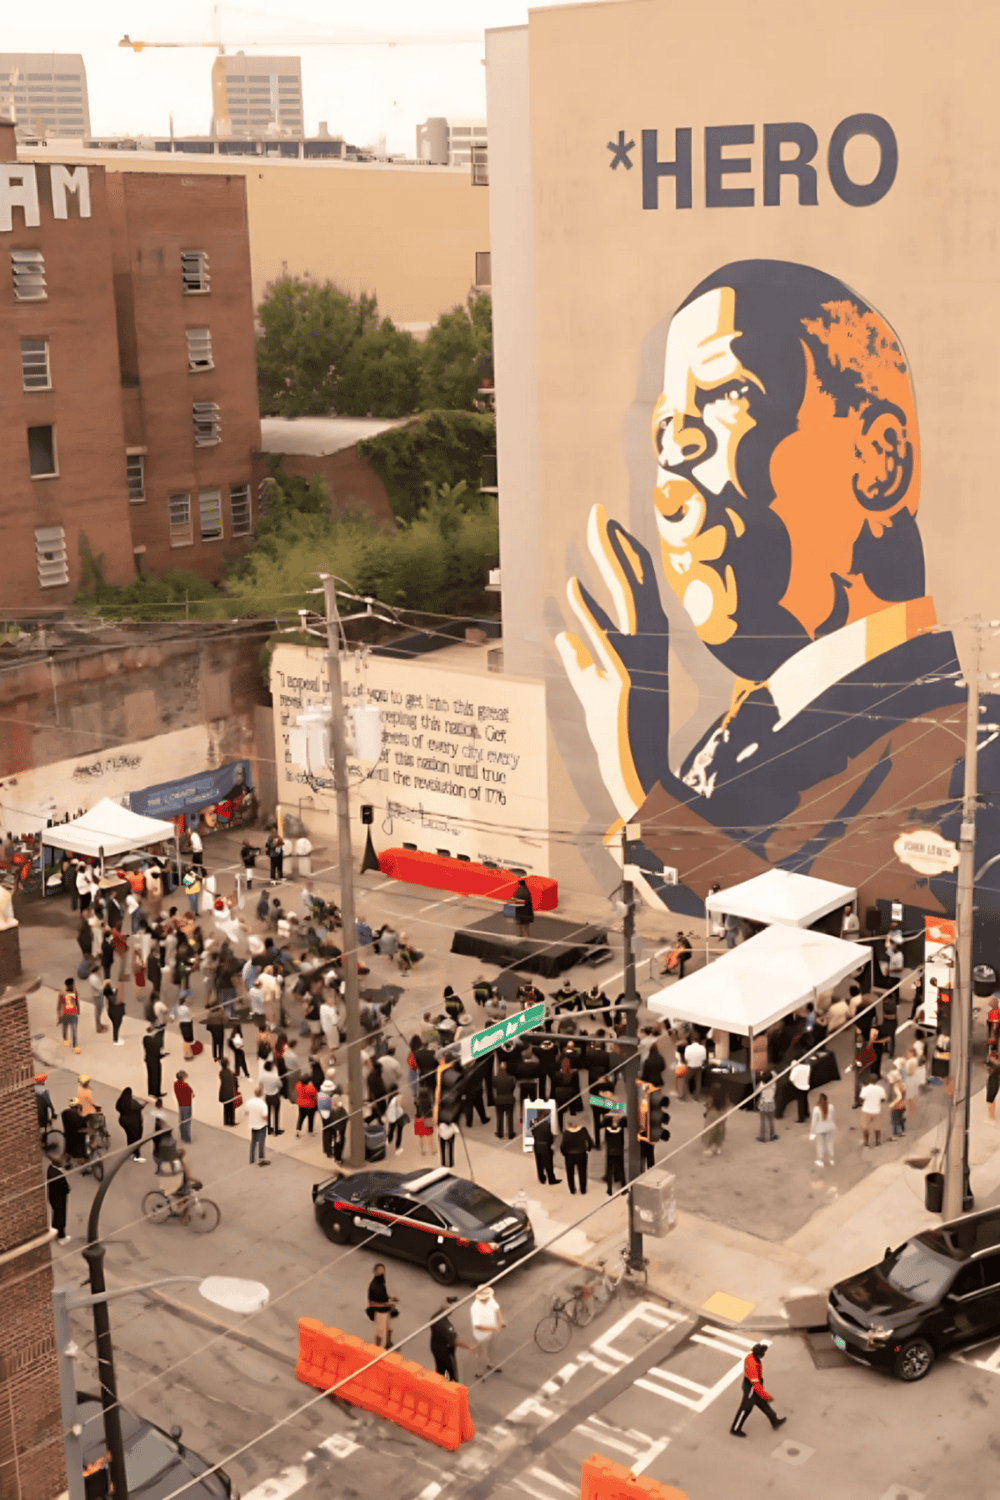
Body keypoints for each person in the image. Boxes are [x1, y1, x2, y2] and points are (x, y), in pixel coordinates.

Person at [730, 1343, 786, 1437]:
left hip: (752, 1385)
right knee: (745, 1409)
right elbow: (755, 1385)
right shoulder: (753, 1365)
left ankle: (774, 1421)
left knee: (763, 1405)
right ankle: (735, 1429)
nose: (764, 1354)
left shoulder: (751, 1357)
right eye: (763, 1352)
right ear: (759, 1353)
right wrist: (766, 1396)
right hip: (751, 1389)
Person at [430, 1298, 473, 1381]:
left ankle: (438, 1386)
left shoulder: (435, 1317)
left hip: (435, 1348)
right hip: (446, 1351)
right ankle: (453, 1389)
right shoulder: (445, 1325)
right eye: (450, 1309)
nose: (451, 1311)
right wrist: (469, 1346)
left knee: (440, 1370)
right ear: (445, 1308)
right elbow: (454, 1341)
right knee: (452, 1372)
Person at [471, 1285, 505, 1376]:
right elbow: (478, 1326)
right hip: (481, 1335)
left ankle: (492, 1364)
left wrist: (501, 1320)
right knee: (481, 1355)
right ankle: (479, 1372)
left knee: (492, 1350)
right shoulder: (475, 1308)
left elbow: (497, 1309)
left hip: (491, 1331)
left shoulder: (489, 1299)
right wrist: (494, 1329)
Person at [367, 1264, 398, 1349]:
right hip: (379, 1312)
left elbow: (383, 1293)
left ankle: (388, 1343)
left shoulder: (381, 1281)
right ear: (375, 1272)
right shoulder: (373, 1287)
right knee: (380, 1334)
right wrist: (386, 1304)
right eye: (380, 1271)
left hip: (386, 1309)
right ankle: (376, 1349)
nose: (382, 1273)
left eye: (383, 1271)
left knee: (389, 1329)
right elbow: (372, 1304)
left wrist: (391, 1298)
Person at [560, 1120, 592, 1195]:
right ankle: (583, 1190)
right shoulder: (583, 1130)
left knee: (570, 1173)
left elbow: (562, 1146)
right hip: (581, 1154)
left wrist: (565, 1154)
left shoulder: (566, 1132)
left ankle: (572, 1190)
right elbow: (589, 1141)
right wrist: (588, 1150)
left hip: (569, 1156)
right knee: (583, 1172)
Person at [114, 1087, 145, 1162]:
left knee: (129, 1137)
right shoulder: (133, 1103)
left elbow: (117, 1108)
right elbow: (140, 1107)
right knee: (136, 1140)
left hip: (124, 1123)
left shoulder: (120, 1101)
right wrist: (144, 1104)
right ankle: (137, 1156)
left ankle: (130, 1153)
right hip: (135, 1125)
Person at [532, 1110, 560, 1185]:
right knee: (548, 1163)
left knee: (539, 1163)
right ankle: (551, 1179)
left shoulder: (533, 1123)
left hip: (537, 1145)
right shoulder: (548, 1125)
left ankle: (541, 1178)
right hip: (546, 1146)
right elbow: (550, 1137)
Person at [47, 1154, 71, 1244]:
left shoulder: (51, 1169)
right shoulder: (57, 1175)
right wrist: (67, 1188)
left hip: (53, 1198)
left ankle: (54, 1230)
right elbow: (63, 1187)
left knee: (56, 1216)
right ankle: (61, 1237)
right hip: (59, 1199)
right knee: (61, 1217)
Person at [860, 1074, 887, 1146]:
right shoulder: (880, 1089)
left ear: (869, 1081)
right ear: (876, 1081)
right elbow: (883, 1099)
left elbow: (861, 1099)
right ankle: (877, 1141)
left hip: (866, 1110)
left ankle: (866, 1142)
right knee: (877, 1127)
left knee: (865, 1126)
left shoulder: (865, 1089)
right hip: (876, 1110)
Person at [247, 1085, 270, 1166]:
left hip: (253, 1125)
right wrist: (268, 1122)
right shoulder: (262, 1104)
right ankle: (261, 1159)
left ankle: (252, 1158)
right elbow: (264, 1116)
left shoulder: (250, 1102)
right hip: (261, 1126)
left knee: (253, 1142)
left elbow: (247, 1112)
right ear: (261, 1094)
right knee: (261, 1143)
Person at [810, 1093, 836, 1166]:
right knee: (829, 1143)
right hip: (829, 1127)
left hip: (820, 1129)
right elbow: (832, 1117)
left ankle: (820, 1160)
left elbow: (814, 1121)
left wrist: (812, 1132)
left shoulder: (816, 1109)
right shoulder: (831, 1106)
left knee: (820, 1144)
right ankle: (831, 1159)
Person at [603, 1110, 626, 1193]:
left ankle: (609, 1189)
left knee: (609, 1170)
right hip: (619, 1152)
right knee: (621, 1169)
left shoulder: (608, 1130)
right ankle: (624, 1187)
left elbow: (606, 1139)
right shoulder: (621, 1130)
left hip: (610, 1151)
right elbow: (622, 1141)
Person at [493, 1060, 516, 1140]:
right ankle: (510, 1134)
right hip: (509, 1099)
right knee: (510, 1117)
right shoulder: (511, 1078)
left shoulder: (495, 1078)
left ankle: (500, 1133)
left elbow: (495, 1087)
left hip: (499, 1100)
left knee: (499, 1117)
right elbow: (513, 1088)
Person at [57, 979, 82, 1053]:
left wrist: (59, 1016)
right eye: (73, 984)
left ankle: (67, 1041)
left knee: (66, 1028)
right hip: (72, 1014)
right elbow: (77, 1003)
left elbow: (59, 1005)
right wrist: (78, 1011)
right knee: (73, 1030)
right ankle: (73, 1045)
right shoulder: (74, 993)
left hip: (67, 1014)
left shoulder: (62, 993)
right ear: (72, 985)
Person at [261, 1059, 284, 1135]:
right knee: (276, 1114)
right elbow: (280, 1085)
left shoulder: (263, 1076)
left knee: (269, 1112)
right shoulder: (274, 1077)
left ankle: (269, 1129)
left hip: (267, 1096)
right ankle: (276, 1130)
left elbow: (261, 1084)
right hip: (274, 1096)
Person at [702, 1088, 727, 1157]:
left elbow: (708, 1107)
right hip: (721, 1115)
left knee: (709, 1132)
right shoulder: (725, 1101)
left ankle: (708, 1148)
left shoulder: (710, 1099)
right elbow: (725, 1108)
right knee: (720, 1131)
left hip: (712, 1115)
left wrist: (706, 1113)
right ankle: (718, 1147)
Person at [173, 1071, 194, 1143]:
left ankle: (182, 1136)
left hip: (181, 1105)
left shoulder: (175, 1084)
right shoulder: (185, 1086)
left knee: (182, 1120)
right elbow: (190, 1091)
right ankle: (187, 1138)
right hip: (187, 1105)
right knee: (187, 1122)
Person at [789, 1057, 812, 1124]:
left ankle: (801, 1118)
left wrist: (794, 1084)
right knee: (805, 1100)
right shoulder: (807, 1067)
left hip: (798, 1087)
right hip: (806, 1085)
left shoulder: (796, 1069)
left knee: (800, 1102)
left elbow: (791, 1079)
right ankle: (806, 1113)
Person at [888, 1070, 907, 1139]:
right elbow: (903, 1094)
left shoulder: (895, 1086)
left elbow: (899, 1096)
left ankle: (895, 1135)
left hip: (896, 1107)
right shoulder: (902, 1083)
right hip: (902, 1105)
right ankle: (902, 1131)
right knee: (900, 1119)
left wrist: (892, 1104)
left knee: (894, 1121)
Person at [219, 1061, 239, 1127]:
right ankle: (231, 1122)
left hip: (223, 1092)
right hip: (230, 1093)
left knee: (226, 1107)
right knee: (231, 1108)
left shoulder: (221, 1072)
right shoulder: (229, 1072)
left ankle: (226, 1121)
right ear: (227, 1064)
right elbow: (234, 1080)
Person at [987, 1052, 1000, 1123]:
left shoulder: (996, 1065)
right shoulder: (993, 1064)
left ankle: (991, 1117)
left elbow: (989, 1072)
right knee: (991, 1100)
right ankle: (991, 1116)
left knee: (991, 1100)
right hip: (992, 1081)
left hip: (993, 1082)